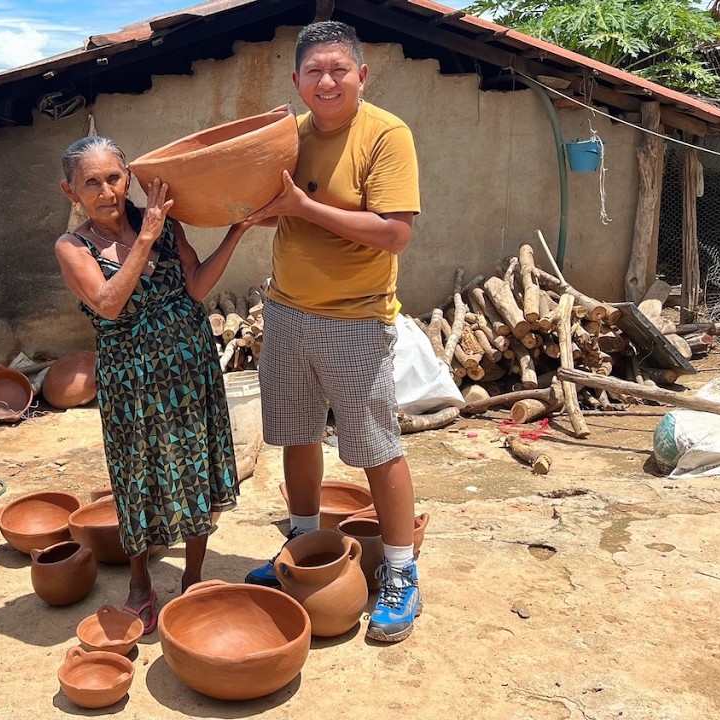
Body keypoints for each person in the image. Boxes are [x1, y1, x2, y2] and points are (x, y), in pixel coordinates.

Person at [241, 20, 424, 643]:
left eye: (338, 69)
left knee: (375, 443)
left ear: (361, 76)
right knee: (294, 432)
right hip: (288, 310)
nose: (326, 81)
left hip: (356, 317)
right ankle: (301, 540)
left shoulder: (386, 134)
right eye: (313, 71)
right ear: (296, 81)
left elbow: (395, 232)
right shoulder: (290, 136)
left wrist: (300, 208)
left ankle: (401, 570)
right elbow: (279, 210)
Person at [55, 135, 251, 634]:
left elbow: (196, 286)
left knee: (195, 464)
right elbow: (109, 303)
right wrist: (146, 239)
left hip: (189, 363)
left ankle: (193, 578)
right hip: (130, 376)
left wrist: (237, 230)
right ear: (70, 191)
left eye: (114, 178)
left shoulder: (161, 222)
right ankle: (141, 584)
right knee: (137, 472)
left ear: (128, 177)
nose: (106, 191)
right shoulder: (73, 247)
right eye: (91, 183)